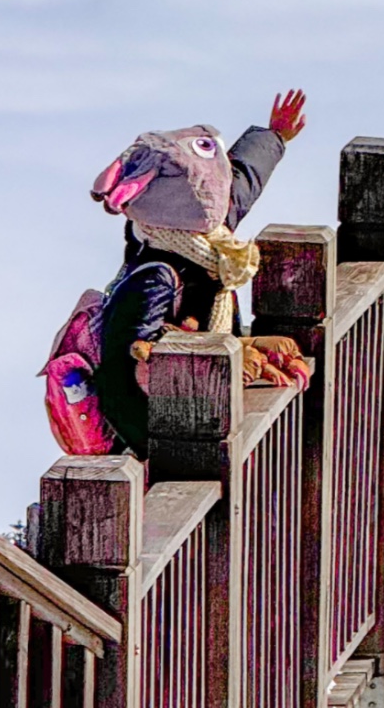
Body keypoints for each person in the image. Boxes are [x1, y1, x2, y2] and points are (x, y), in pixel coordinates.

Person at [86, 90, 307, 455]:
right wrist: (164, 455)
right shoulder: (153, 278)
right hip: (163, 440)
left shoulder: (210, 237)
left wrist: (273, 136)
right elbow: (118, 381)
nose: (219, 196)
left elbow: (243, 179)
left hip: (206, 420)